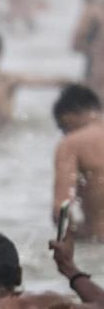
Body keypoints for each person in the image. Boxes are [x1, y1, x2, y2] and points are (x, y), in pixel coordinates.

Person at [52, 84, 104, 240]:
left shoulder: (72, 143)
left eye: (62, 128)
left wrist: (73, 239)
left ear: (67, 118)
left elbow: (61, 209)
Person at [72, 0, 104, 99]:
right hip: (96, 66)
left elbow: (77, 42)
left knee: (95, 101)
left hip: (96, 69)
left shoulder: (93, 10)